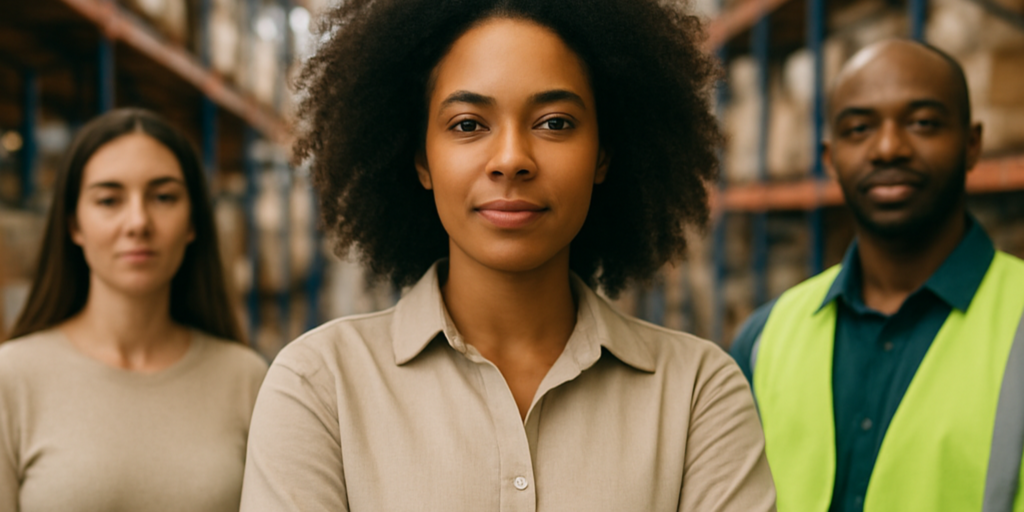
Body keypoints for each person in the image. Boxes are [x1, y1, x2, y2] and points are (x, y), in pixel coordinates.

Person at [240, 0, 776, 510]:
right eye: (468, 124)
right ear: (421, 160)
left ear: (604, 155)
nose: (512, 159)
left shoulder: (698, 394)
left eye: (555, 123)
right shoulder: (319, 387)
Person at [730, 39, 1024, 512]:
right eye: (860, 128)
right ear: (829, 159)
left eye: (923, 123)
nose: (889, 147)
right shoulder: (764, 338)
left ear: (973, 146)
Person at [0, 108, 268, 512]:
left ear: (193, 221)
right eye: (109, 200)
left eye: (164, 197)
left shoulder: (245, 379)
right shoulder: (12, 379)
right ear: (74, 224)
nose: (138, 222)